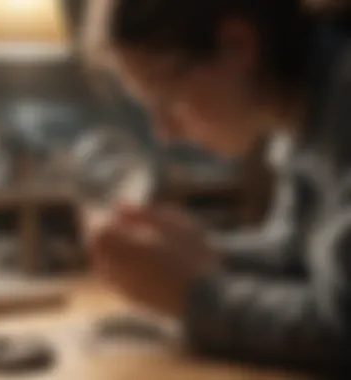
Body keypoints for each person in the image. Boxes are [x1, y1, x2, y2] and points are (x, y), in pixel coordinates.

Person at [83, 0, 351, 370]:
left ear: (236, 45)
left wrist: (192, 296)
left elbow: (339, 329)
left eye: (168, 99)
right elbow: (297, 261)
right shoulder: (299, 109)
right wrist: (191, 251)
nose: (164, 134)